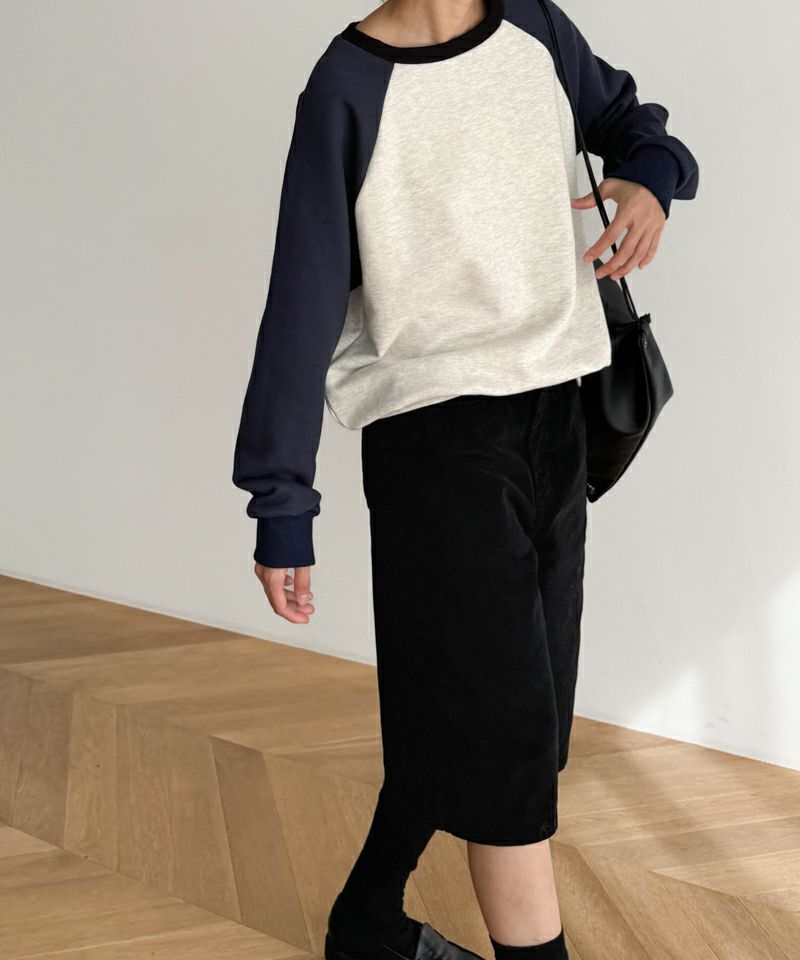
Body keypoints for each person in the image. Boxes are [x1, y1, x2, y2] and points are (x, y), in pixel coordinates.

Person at [232, 1, 699, 958]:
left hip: (557, 412)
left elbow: (636, 127)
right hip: (434, 437)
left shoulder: (532, 24)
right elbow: (301, 300)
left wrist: (651, 181)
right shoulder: (347, 88)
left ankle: (365, 924)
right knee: (506, 740)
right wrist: (282, 503)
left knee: (506, 711)